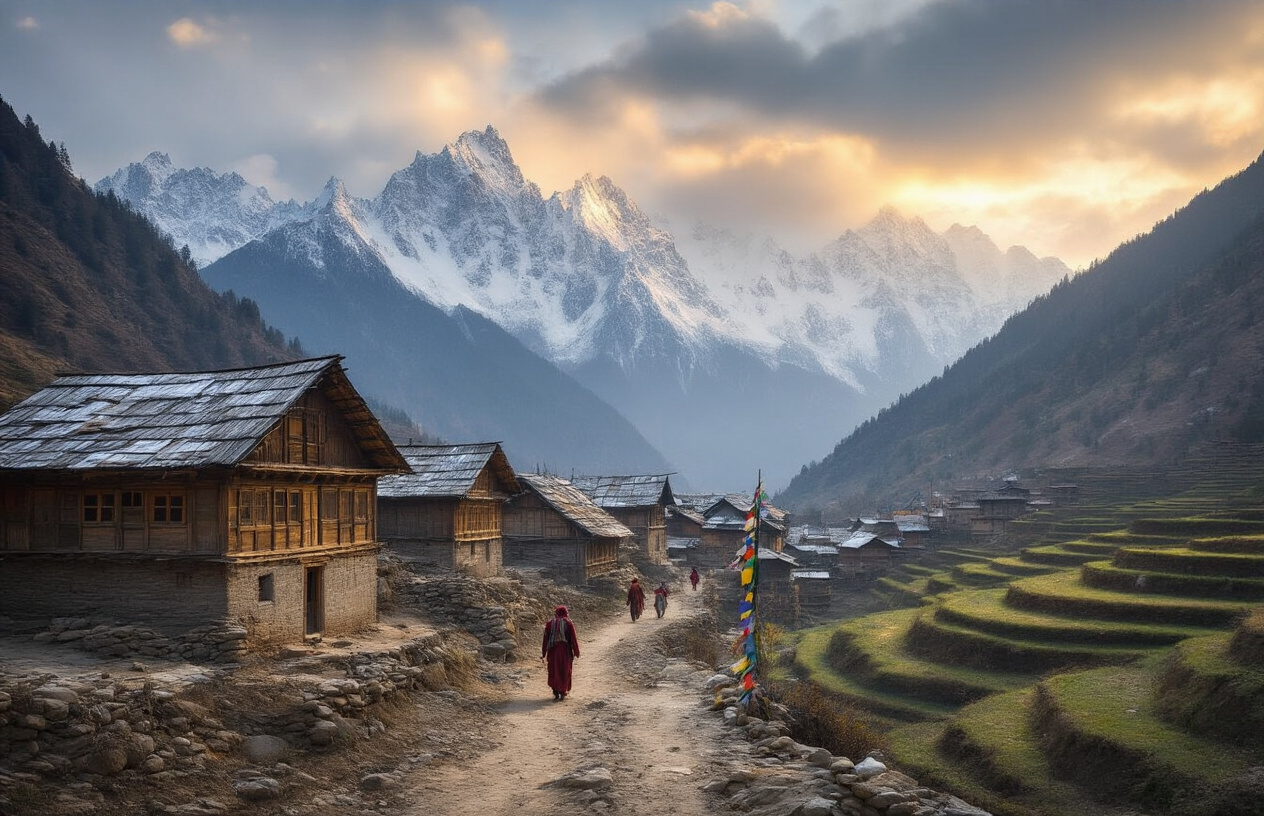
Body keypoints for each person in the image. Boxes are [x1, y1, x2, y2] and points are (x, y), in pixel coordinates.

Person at [541, 605, 580, 701]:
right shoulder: (568, 623)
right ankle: (563, 692)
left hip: (553, 652)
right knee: (564, 671)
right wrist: (576, 651)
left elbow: (545, 639)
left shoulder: (550, 623)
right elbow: (573, 639)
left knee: (554, 670)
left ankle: (556, 693)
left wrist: (543, 652)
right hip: (565, 652)